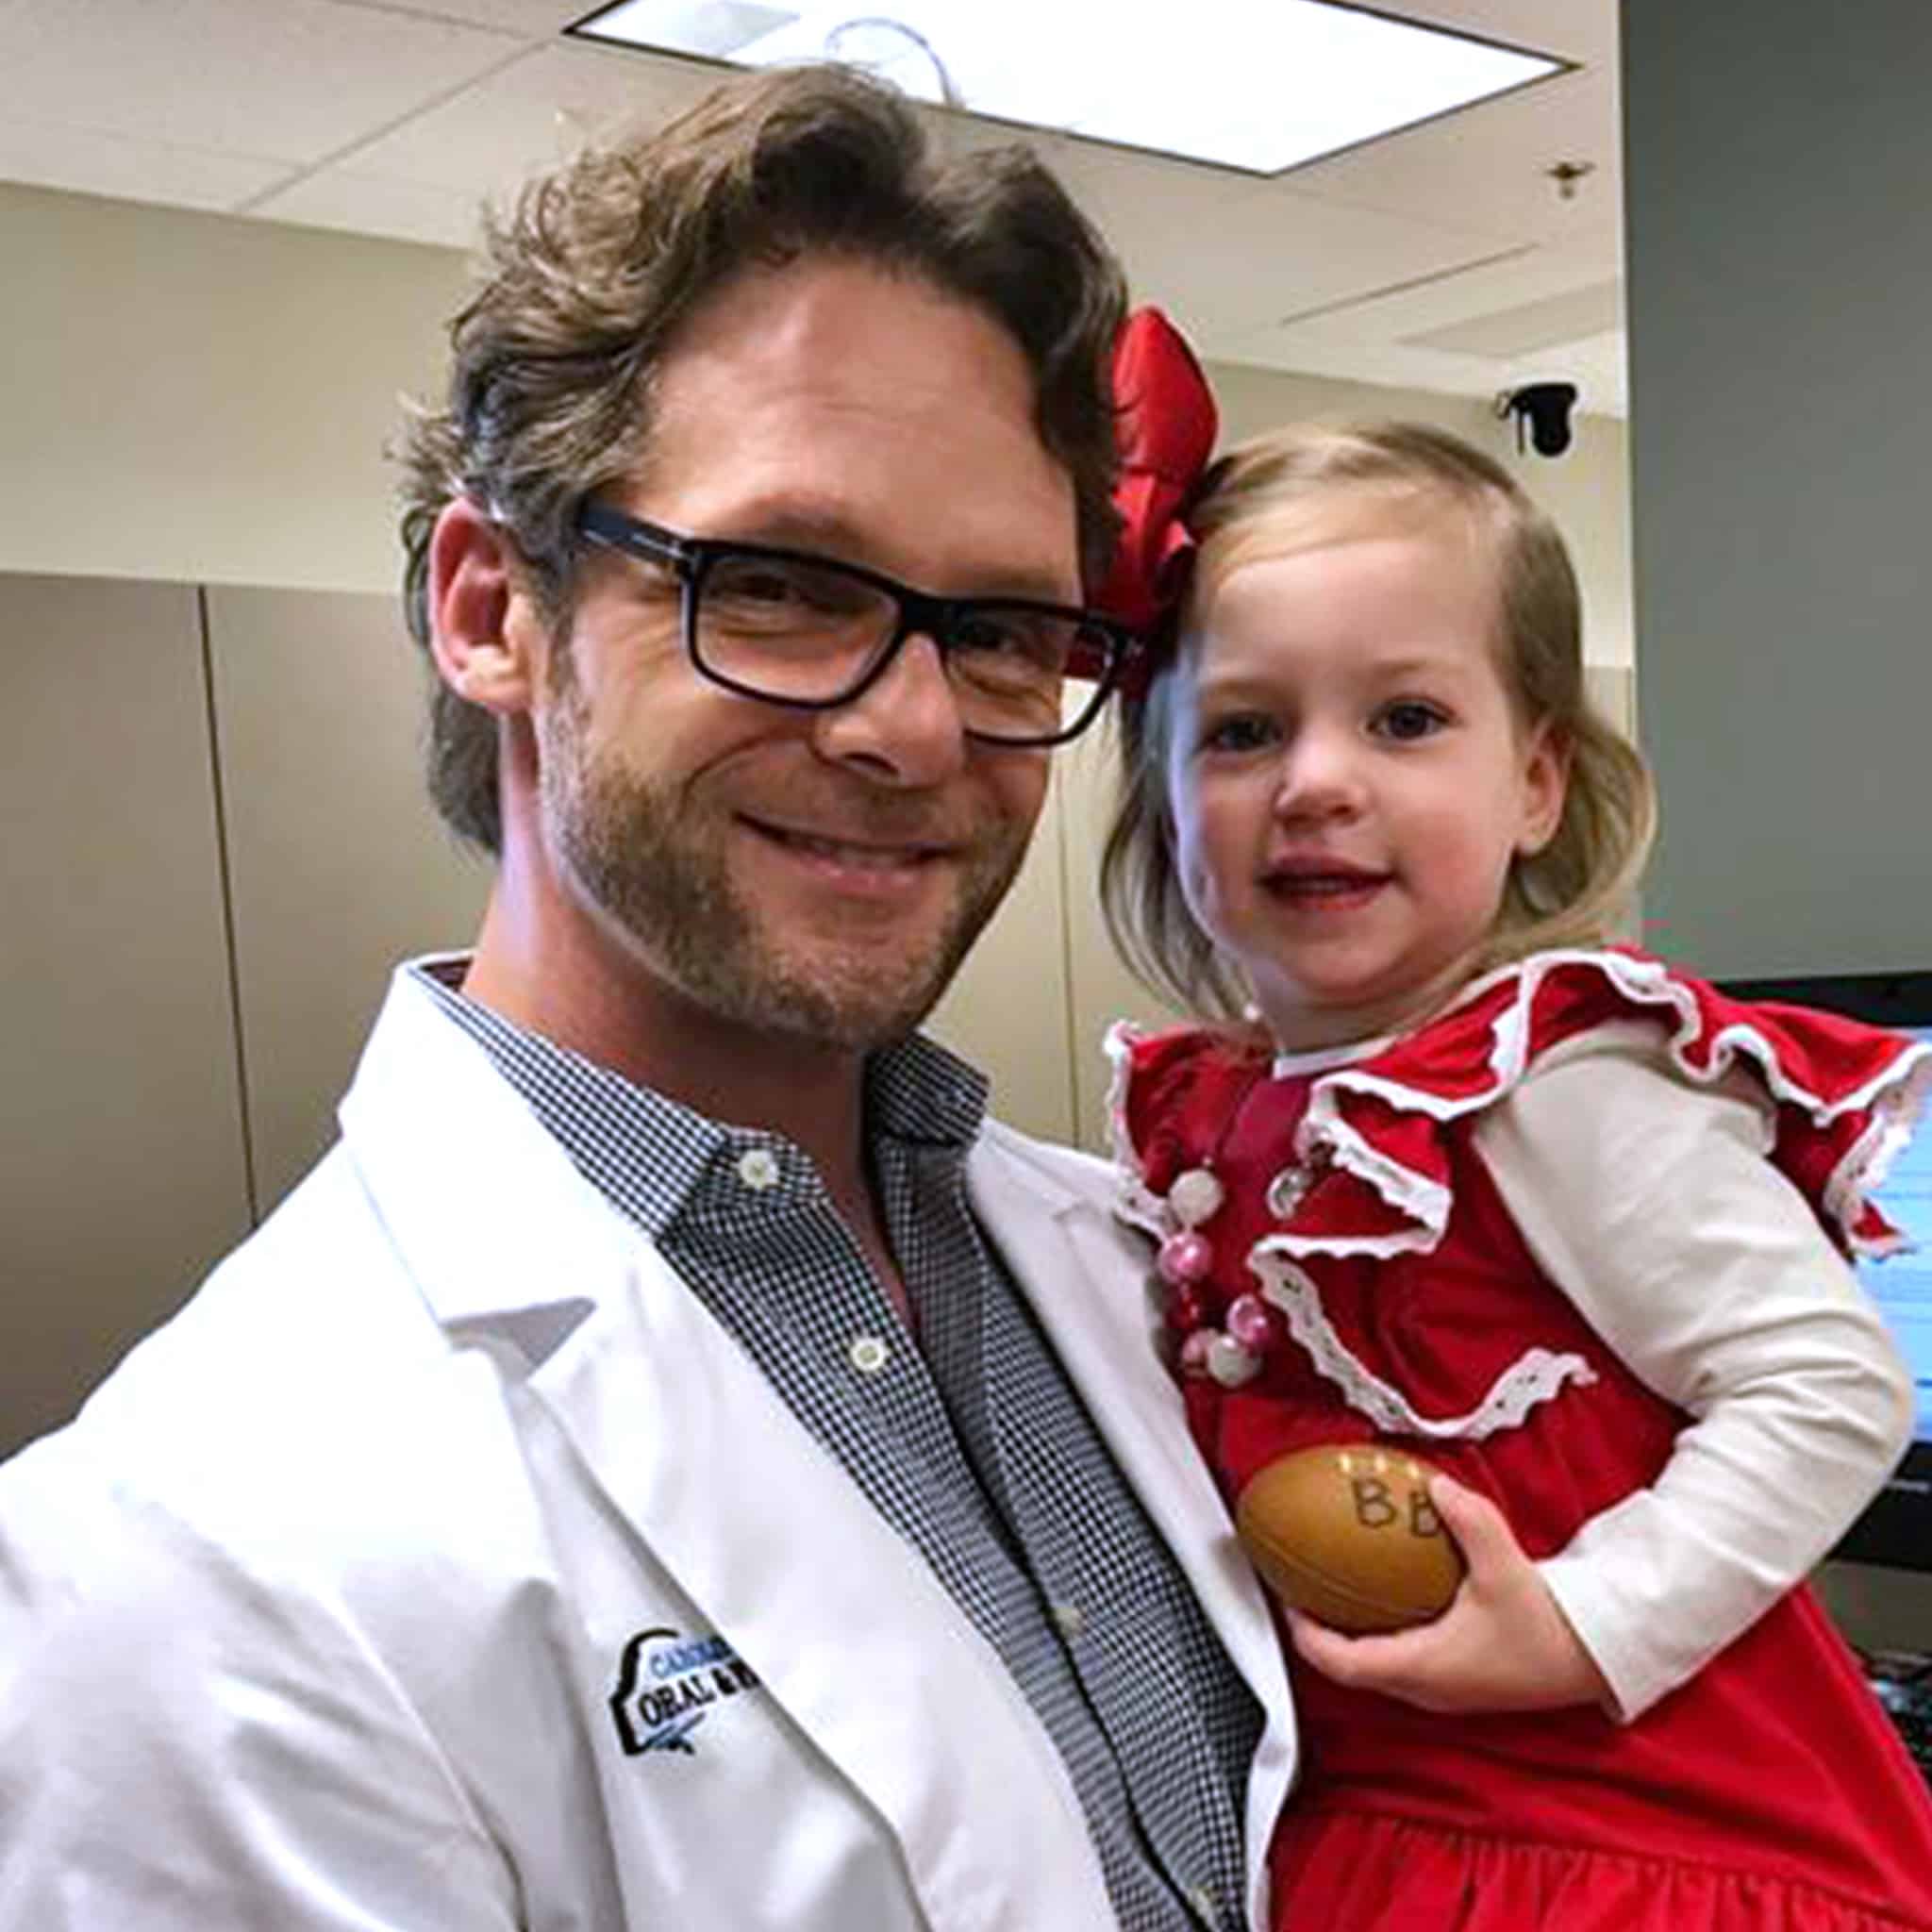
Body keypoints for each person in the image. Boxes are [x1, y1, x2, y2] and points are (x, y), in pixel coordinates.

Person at [0, 75, 1297, 1930]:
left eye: (1004, 626)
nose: (912, 726)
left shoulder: (1124, 1261)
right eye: (774, 585)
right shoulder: (193, 1561)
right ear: (486, 606)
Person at [1095, 311, 1932, 1930]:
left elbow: (1827, 1385)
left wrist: (1579, 1621)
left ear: (1536, 782)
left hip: (1637, 1835)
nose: (1317, 781)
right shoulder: (1202, 1122)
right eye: (1244, 729)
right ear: (1160, 787)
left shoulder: (1549, 1083)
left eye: (1406, 720)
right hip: (1377, 1823)